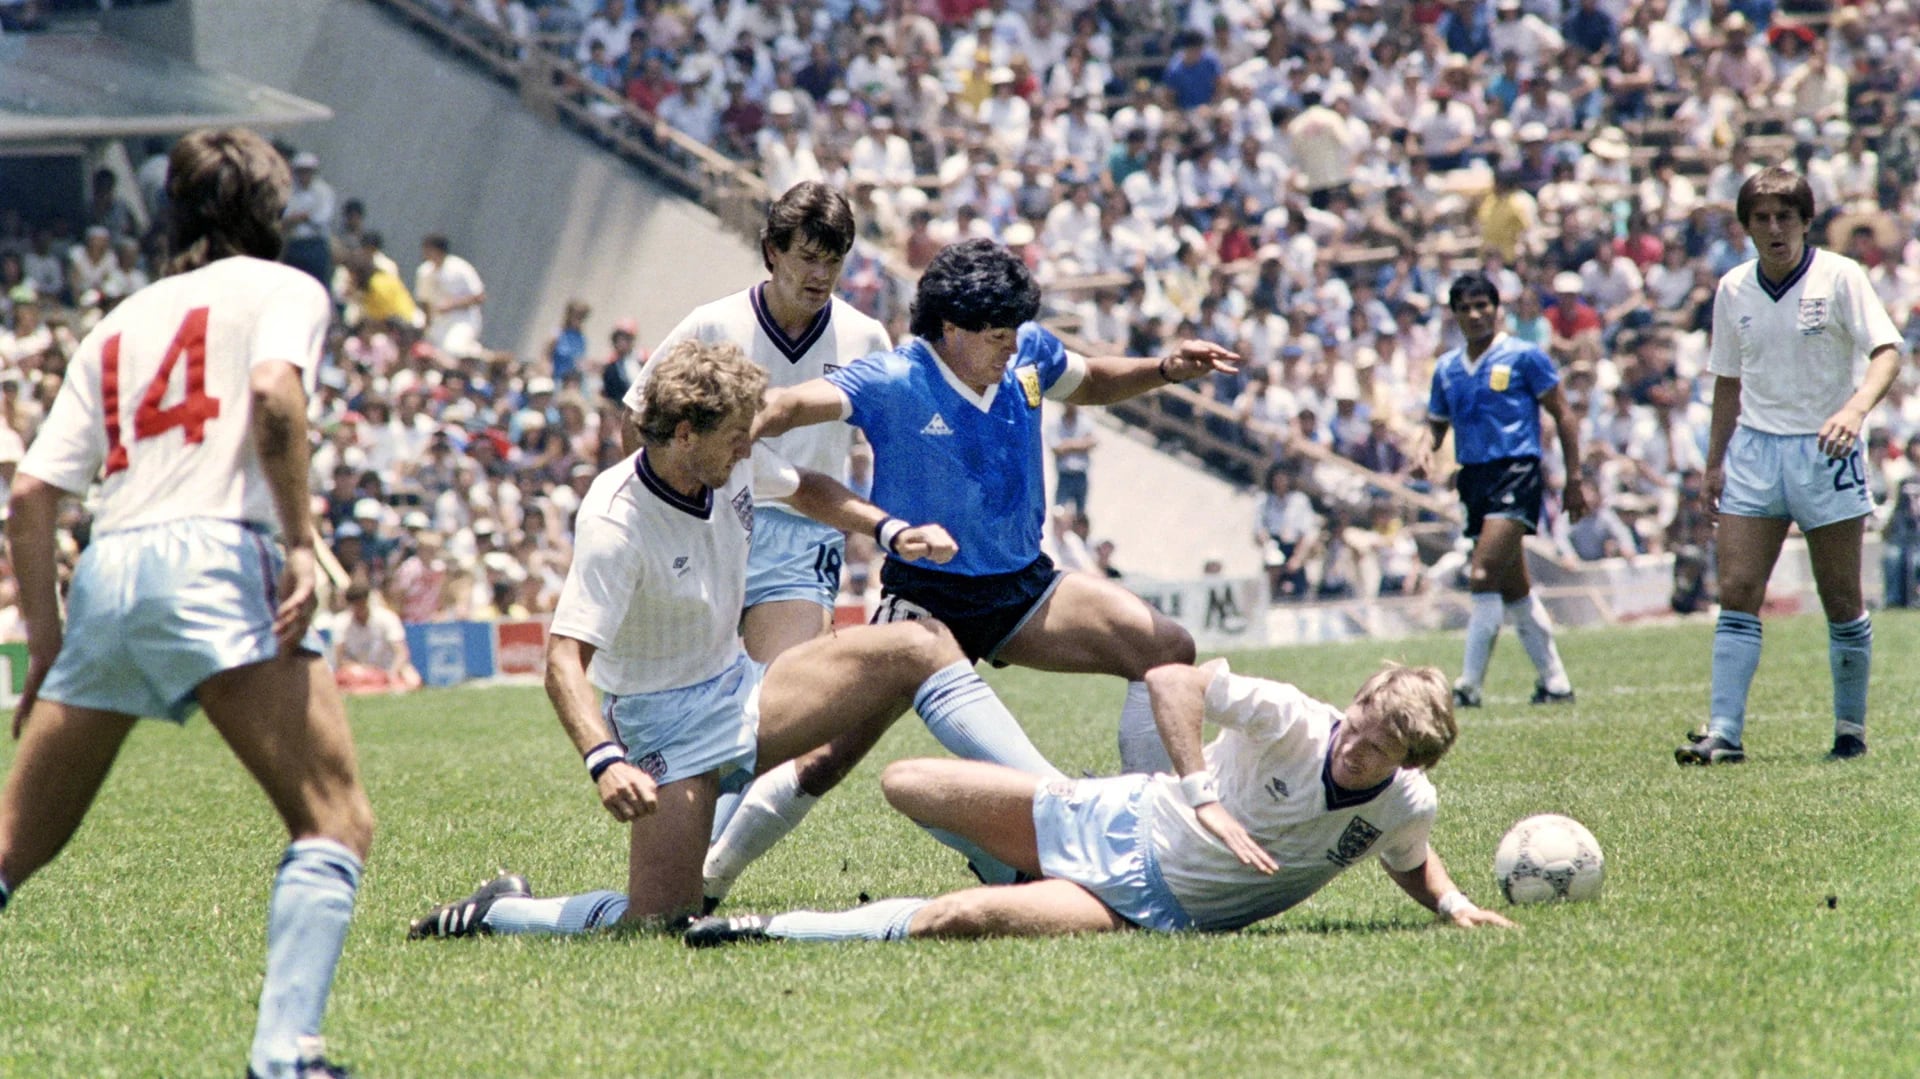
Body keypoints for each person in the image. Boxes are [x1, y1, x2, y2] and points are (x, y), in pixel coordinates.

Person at [407, 340, 1043, 937]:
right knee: (659, 921)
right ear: (685, 435)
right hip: (667, 728)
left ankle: (1055, 807)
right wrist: (605, 760)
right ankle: (501, 911)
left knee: (920, 643)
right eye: (737, 440)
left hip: (743, 688)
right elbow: (563, 662)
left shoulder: (724, 460)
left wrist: (888, 531)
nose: (747, 452)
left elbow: (806, 489)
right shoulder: (614, 521)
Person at [0, 127, 371, 1079]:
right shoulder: (286, 288)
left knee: (9, 853)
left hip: (112, 566)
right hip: (215, 555)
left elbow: (35, 496)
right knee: (334, 820)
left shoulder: (118, 321)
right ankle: (286, 1058)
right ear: (272, 213)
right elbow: (273, 397)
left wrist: (47, 640)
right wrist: (299, 542)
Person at [716, 238, 1239, 900]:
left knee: (1165, 648)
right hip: (924, 605)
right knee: (827, 756)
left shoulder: (1027, 355)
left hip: (1023, 590)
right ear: (950, 329)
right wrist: (742, 423)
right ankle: (709, 878)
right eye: (995, 336)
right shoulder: (895, 377)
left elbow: (1091, 380)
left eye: (1014, 334)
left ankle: (1150, 834)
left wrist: (1162, 367)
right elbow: (793, 404)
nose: (1009, 348)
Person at [683, 657, 1512, 945]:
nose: (1353, 742)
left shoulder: (1407, 803)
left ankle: (762, 929)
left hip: (1146, 909)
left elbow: (1407, 850)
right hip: (1116, 814)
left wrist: (1449, 900)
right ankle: (1019, 868)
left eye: (1377, 748)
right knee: (906, 781)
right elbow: (1173, 678)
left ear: (1409, 762)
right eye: (1360, 718)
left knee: (955, 920)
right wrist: (1203, 796)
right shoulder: (1298, 717)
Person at [614, 185, 895, 900]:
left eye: (833, 259)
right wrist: (654, 511)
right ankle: (679, 867)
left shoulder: (866, 338)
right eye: (806, 256)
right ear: (772, 251)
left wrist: (891, 526)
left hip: (804, 534)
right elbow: (636, 418)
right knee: (697, 704)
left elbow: (890, 444)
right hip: (710, 523)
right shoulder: (713, 323)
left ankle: (697, 873)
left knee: (778, 704)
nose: (819, 273)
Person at [1676, 167, 1904, 766]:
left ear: (1806, 222)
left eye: (1786, 217)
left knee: (1840, 597)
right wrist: (1714, 462)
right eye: (1762, 218)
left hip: (1825, 451)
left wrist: (1856, 409)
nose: (1774, 229)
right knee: (1738, 589)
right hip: (1755, 451)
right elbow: (1727, 380)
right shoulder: (1732, 289)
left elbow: (1887, 351)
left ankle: (1850, 730)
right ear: (1746, 227)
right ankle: (1724, 733)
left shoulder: (1840, 276)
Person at [1413, 272, 1587, 708]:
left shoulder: (1525, 357)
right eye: (1465, 308)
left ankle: (1468, 686)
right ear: (1454, 315)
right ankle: (1556, 683)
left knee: (1482, 573)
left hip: (1516, 472)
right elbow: (1436, 422)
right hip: (1473, 479)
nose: (1475, 315)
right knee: (1514, 589)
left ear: (1497, 308)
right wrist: (1424, 445)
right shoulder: (1448, 368)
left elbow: (1563, 414)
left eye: (1482, 306)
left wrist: (1575, 479)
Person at [329, 581, 422, 693]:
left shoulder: (387, 618)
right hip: (359, 670)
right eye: (356, 605)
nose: (359, 608)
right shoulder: (341, 622)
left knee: (413, 680)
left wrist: (393, 672)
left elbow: (401, 652)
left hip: (388, 667)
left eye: (362, 603)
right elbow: (339, 658)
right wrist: (359, 668)